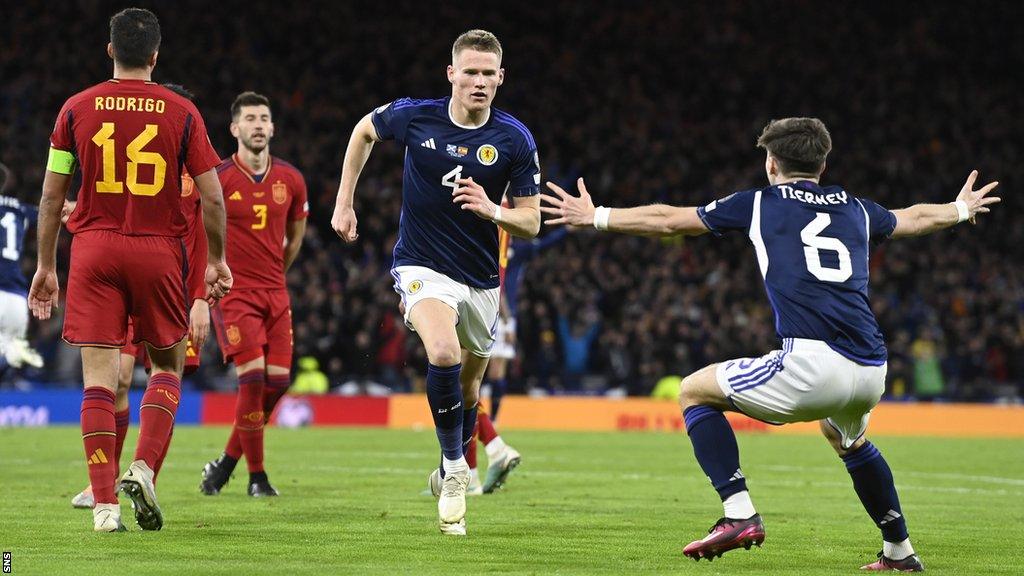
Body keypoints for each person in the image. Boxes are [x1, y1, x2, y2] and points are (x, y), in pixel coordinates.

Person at [540, 117, 999, 570]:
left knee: (695, 391)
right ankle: (899, 552)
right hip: (871, 366)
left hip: (813, 364)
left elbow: (669, 221)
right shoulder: (857, 208)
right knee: (848, 439)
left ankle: (738, 513)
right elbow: (914, 218)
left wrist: (595, 216)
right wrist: (959, 209)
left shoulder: (760, 203)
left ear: (772, 164)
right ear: (823, 163)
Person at [331, 29, 541, 535]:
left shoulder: (515, 139)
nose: (479, 82)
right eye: (470, 72)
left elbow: (532, 222)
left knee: (469, 390)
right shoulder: (415, 117)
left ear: (501, 79)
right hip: (422, 266)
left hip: (481, 281)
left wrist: (492, 210)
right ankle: (453, 470)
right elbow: (363, 131)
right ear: (451, 74)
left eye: (489, 74)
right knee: (443, 352)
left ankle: (456, 459)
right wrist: (344, 200)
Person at [30, 8, 231, 532]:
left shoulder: (75, 110)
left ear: (110, 50)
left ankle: (103, 506)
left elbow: (52, 197)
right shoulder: (182, 112)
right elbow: (212, 196)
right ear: (156, 56)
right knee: (165, 369)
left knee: (98, 382)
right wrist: (215, 260)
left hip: (94, 250)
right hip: (158, 251)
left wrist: (46, 266)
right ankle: (144, 467)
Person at [71, 84, 212, 510]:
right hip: (130, 275)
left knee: (163, 375)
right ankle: (108, 481)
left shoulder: (192, 180)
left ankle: (143, 475)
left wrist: (201, 297)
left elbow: (203, 235)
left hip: (172, 288)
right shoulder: (144, 169)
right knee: (115, 380)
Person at [201, 91, 307, 498]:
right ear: (234, 128)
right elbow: (200, 234)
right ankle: (257, 478)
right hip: (235, 293)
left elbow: (295, 236)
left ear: (273, 127)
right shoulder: (220, 178)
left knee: (278, 382)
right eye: (250, 119)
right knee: (254, 379)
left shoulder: (291, 179)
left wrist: (278, 271)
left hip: (276, 293)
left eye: (264, 118)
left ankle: (225, 464)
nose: (259, 125)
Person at [0, 162, 44, 375]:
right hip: (17, 299)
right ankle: (12, 354)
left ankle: (11, 353)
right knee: (8, 354)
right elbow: (56, 213)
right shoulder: (21, 210)